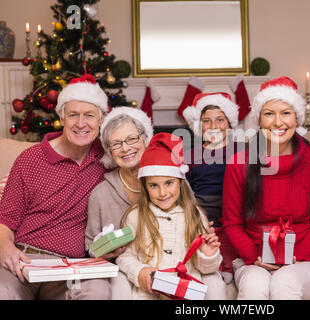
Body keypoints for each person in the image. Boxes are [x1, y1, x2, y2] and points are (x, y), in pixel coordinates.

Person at [0, 74, 111, 299]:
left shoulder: (107, 160)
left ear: (101, 119)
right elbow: (5, 220)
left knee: (97, 291)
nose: (81, 123)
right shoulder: (30, 159)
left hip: (71, 267)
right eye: (73, 115)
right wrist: (6, 247)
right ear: (61, 117)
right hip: (24, 259)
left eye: (89, 115)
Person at [222, 77, 310, 300]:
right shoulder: (239, 164)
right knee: (254, 286)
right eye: (269, 113)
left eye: (286, 113)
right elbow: (232, 223)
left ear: (297, 118)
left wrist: (294, 258)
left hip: (306, 259)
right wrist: (255, 257)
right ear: (260, 120)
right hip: (254, 257)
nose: (278, 122)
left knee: (284, 283)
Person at [116, 132, 227, 300]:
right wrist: (140, 272)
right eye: (154, 185)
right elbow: (125, 256)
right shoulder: (135, 216)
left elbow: (206, 269)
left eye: (169, 183)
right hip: (148, 294)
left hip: (188, 293)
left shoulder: (195, 215)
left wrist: (207, 255)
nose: (162, 193)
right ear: (145, 186)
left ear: (180, 183)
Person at [85, 106, 153, 299]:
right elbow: (90, 246)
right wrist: (104, 251)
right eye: (116, 144)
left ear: (145, 139)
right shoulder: (100, 194)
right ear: (108, 151)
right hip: (121, 270)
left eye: (131, 139)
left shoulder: (167, 180)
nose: (125, 148)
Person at [182, 92, 242, 284]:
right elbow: (186, 191)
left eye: (220, 120)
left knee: (231, 232)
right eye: (207, 121)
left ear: (230, 123)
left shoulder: (242, 150)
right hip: (203, 214)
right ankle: (210, 264)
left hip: (233, 213)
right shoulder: (190, 156)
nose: (214, 126)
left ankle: (230, 264)